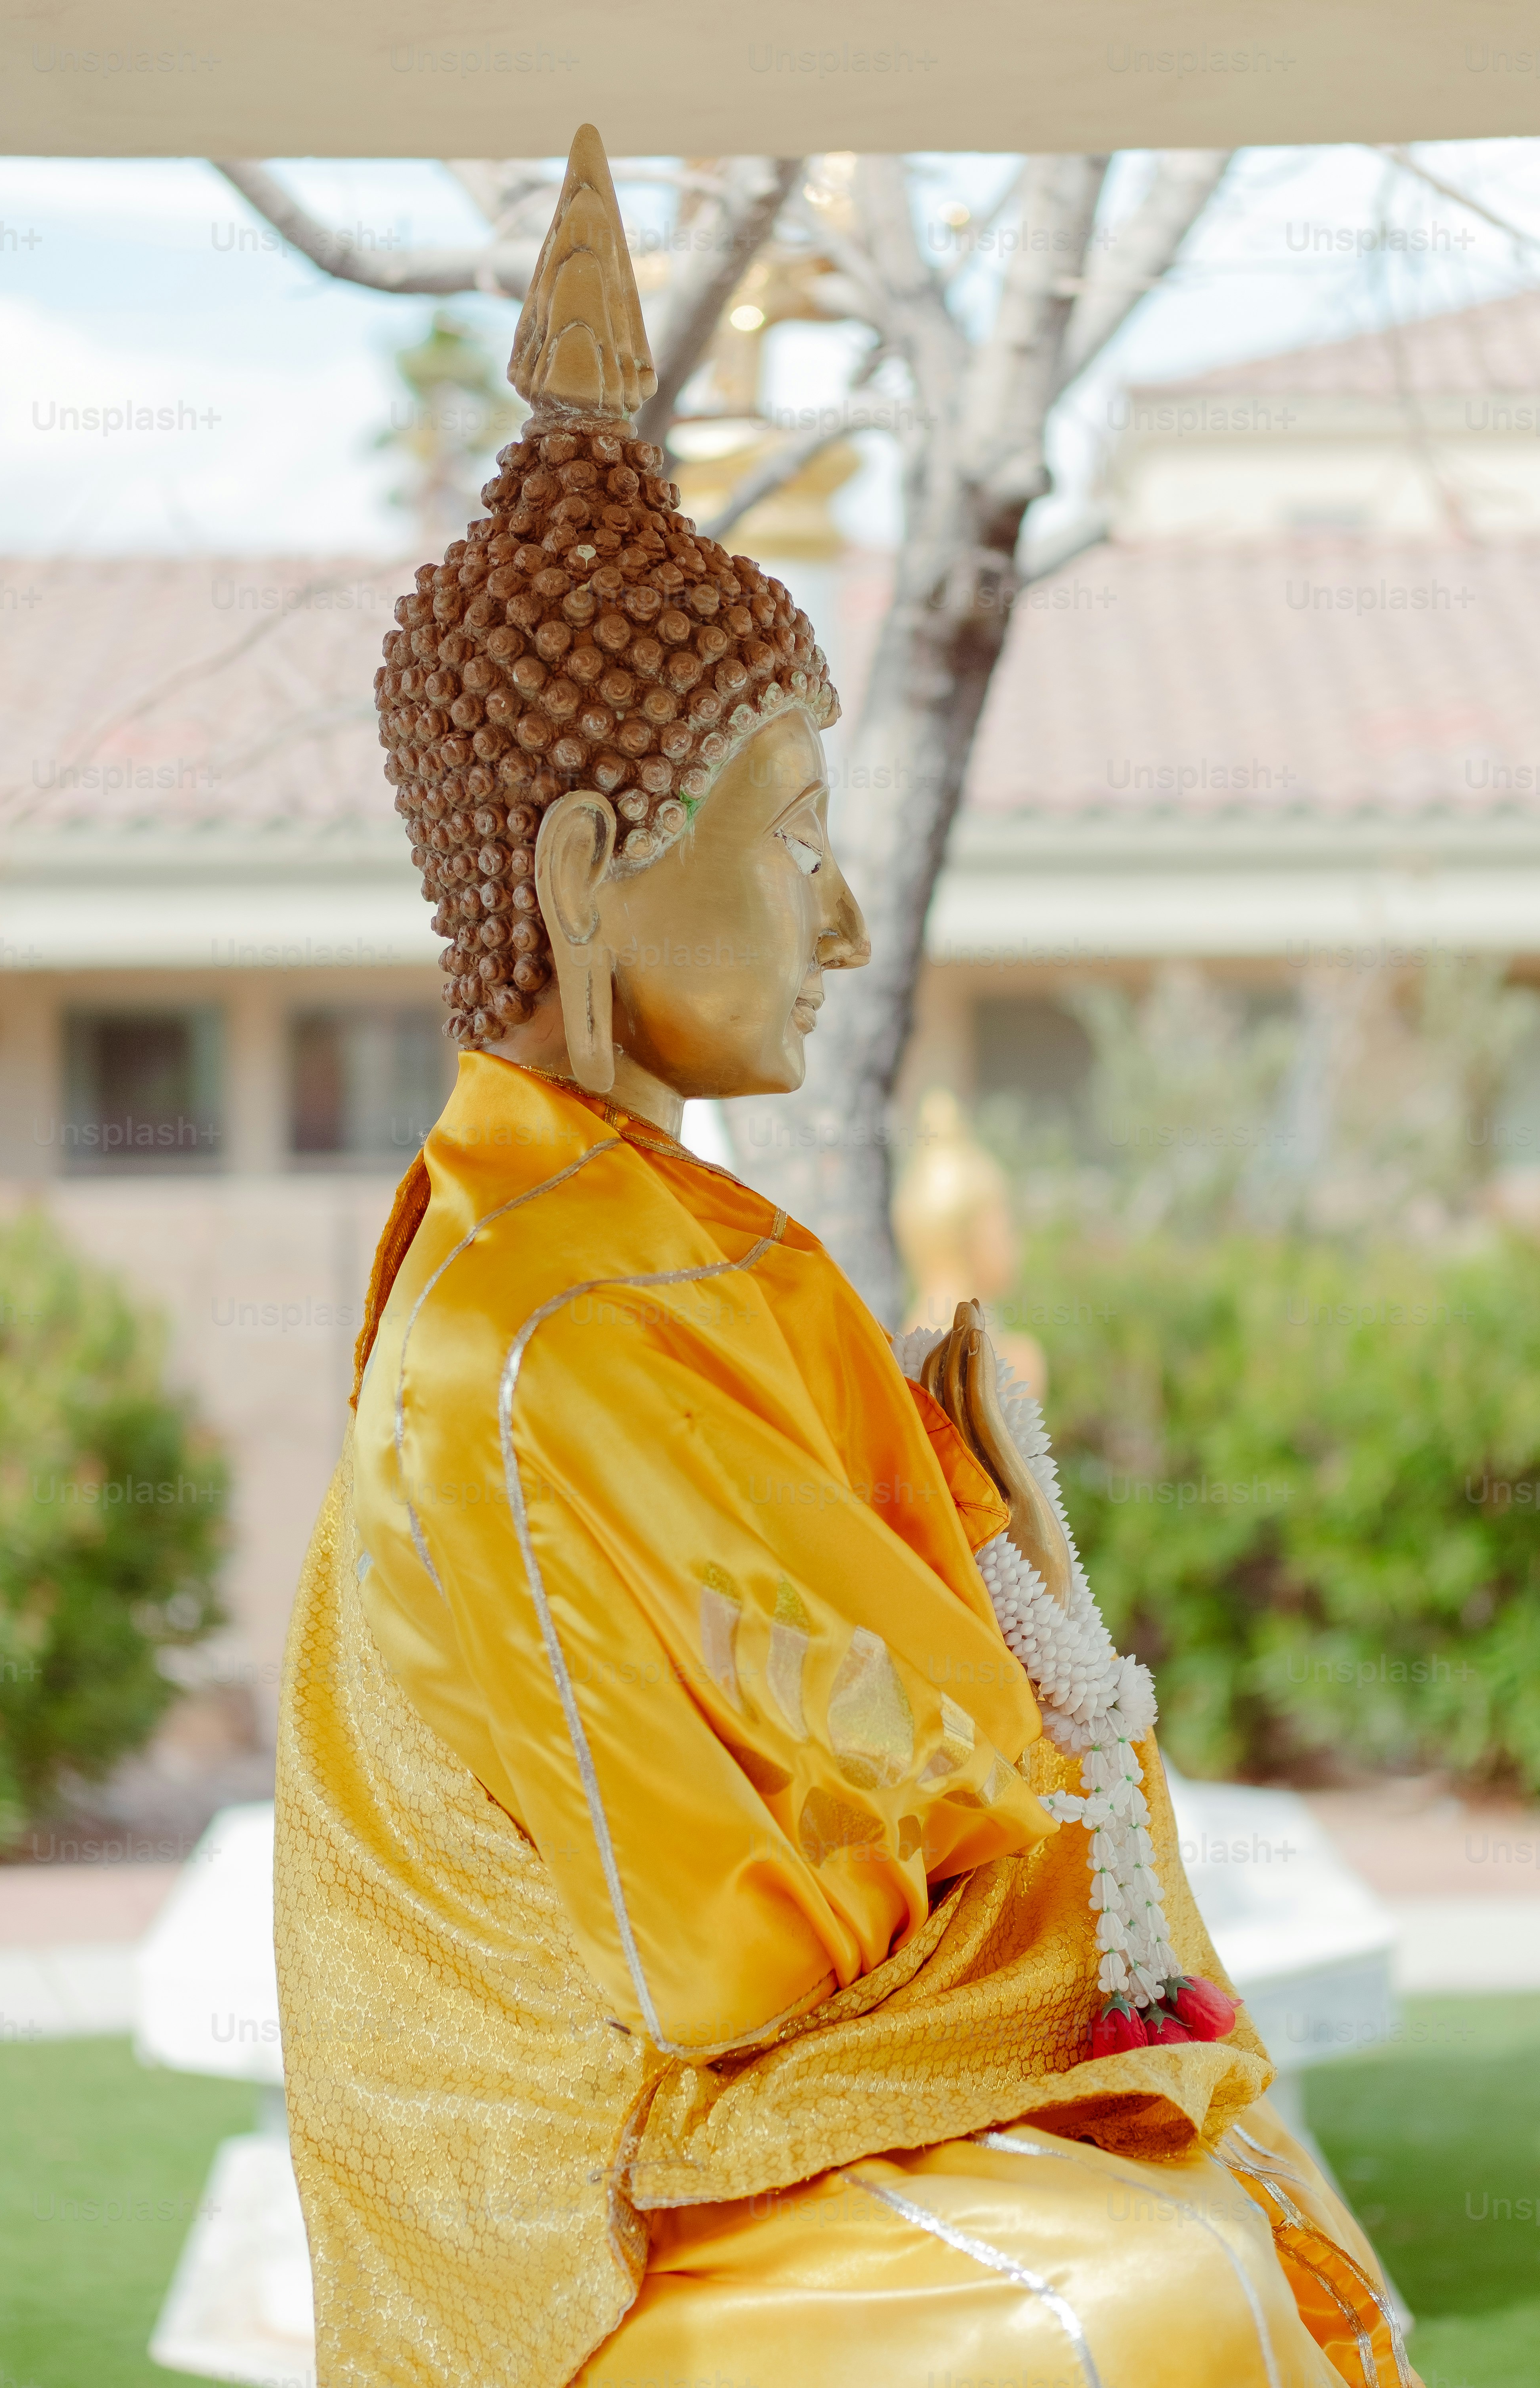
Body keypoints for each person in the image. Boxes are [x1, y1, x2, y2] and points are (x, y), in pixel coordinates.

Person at [275, 125, 1418, 2388]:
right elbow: (770, 1948)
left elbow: (917, 1738)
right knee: (1157, 2307)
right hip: (603, 2223)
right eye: (792, 838)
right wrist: (1040, 1603)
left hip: (738, 2142)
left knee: (1223, 2219)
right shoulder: (542, 1330)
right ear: (591, 865)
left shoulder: (673, 1248)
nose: (848, 925)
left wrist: (991, 1522)